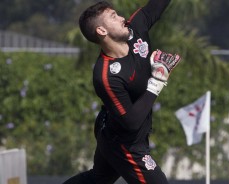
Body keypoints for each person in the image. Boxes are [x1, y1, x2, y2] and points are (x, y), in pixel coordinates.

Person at [63, 0, 181, 183]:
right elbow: (131, 122)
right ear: (102, 31)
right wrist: (157, 81)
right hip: (124, 142)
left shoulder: (135, 30)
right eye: (113, 16)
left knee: (99, 179)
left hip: (112, 127)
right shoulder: (105, 76)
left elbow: (157, 5)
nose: (122, 19)